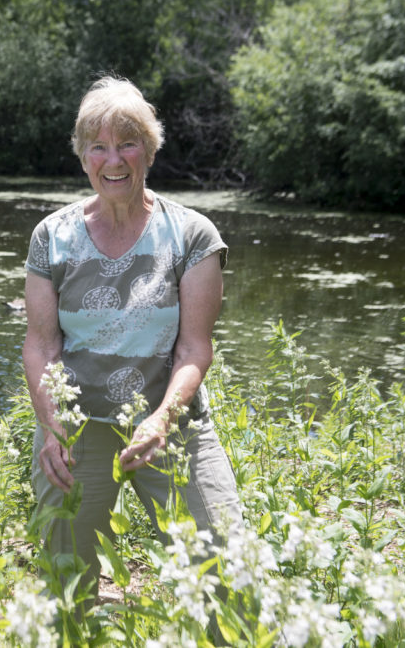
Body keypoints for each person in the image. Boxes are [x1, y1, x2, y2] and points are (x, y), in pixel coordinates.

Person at [22, 76, 244, 608]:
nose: (112, 159)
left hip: (169, 420)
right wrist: (53, 427)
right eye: (97, 146)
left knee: (227, 575)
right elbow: (41, 346)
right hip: (78, 429)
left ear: (148, 150)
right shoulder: (52, 236)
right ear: (83, 157)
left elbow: (195, 349)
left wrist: (162, 417)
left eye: (126, 143)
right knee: (64, 586)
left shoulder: (192, 235)